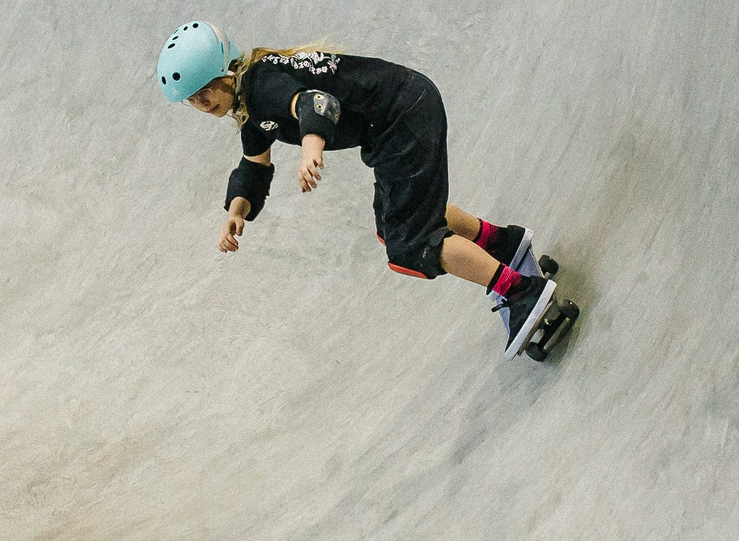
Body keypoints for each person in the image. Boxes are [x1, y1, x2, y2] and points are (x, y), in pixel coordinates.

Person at [156, 24, 569, 358]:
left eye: (205, 90)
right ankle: (502, 243)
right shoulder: (252, 104)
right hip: (395, 123)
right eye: (192, 100)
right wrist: (236, 211)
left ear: (228, 71)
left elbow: (316, 103)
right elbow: (253, 164)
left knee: (412, 244)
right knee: (395, 223)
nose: (202, 103)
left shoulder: (262, 85)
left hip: (404, 117)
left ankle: (522, 291)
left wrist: (311, 147)